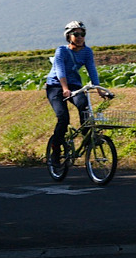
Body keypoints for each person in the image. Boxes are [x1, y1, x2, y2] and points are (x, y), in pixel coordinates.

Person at [45, 20, 111, 161]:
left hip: (74, 85)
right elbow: (60, 71)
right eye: (76, 34)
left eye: (82, 34)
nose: (80, 37)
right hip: (56, 86)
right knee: (63, 118)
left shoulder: (87, 52)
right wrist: (65, 89)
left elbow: (92, 70)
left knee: (84, 107)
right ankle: (55, 151)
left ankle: (87, 139)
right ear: (69, 36)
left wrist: (99, 90)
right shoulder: (61, 51)